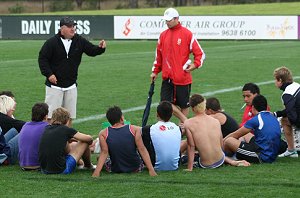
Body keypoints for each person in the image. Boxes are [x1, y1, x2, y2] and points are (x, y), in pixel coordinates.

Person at [38, 16, 106, 125]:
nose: (73, 28)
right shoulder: (51, 42)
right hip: (54, 86)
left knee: (69, 118)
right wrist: (49, 74)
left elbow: (91, 50)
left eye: (73, 26)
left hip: (71, 86)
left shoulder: (79, 40)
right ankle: (51, 139)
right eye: (69, 26)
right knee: (51, 117)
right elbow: (42, 59)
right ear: (62, 29)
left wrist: (100, 48)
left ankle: (67, 140)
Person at [150, 8, 205, 123]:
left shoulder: (187, 34)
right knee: (165, 104)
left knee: (184, 106)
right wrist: (155, 71)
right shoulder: (163, 35)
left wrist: (195, 65)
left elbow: (200, 54)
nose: (167, 22)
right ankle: (185, 122)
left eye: (169, 20)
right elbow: (158, 56)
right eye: (166, 20)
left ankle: (182, 129)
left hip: (182, 78)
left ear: (176, 19)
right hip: (167, 78)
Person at [184, 94, 250, 171]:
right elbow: (220, 144)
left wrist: (190, 168)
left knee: (184, 157)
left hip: (205, 164)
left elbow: (191, 146)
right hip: (220, 160)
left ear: (192, 108)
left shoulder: (188, 123)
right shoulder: (215, 121)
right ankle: (232, 162)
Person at [92, 106, 157, 177]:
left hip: (115, 169)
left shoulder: (103, 133)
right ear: (121, 118)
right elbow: (142, 149)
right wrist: (151, 169)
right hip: (136, 168)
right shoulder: (134, 129)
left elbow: (104, 152)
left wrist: (96, 172)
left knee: (100, 158)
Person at [224, 95, 281, 163]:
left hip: (261, 156)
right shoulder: (272, 116)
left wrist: (220, 143)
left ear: (253, 107)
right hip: (271, 152)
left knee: (229, 140)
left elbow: (235, 135)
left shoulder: (255, 120)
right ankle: (234, 154)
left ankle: (223, 157)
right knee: (246, 134)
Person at [39, 107, 94, 174]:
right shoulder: (66, 129)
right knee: (84, 142)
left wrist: (68, 139)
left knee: (68, 144)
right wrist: (79, 139)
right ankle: (88, 166)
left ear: (52, 118)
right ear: (67, 120)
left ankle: (80, 163)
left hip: (44, 170)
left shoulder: (46, 128)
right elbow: (89, 139)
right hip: (61, 170)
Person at [142, 101, 181, 171]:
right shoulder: (178, 128)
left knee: (140, 142)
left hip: (155, 165)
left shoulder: (149, 129)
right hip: (175, 165)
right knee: (182, 142)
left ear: (157, 114)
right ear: (172, 114)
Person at [273, 66, 300, 158]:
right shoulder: (296, 85)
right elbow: (292, 109)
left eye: (275, 80)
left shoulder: (287, 94)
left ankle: (292, 150)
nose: (274, 82)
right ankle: (292, 150)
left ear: (280, 80)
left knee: (284, 121)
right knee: (284, 119)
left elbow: (291, 114)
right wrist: (277, 114)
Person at [18, 103, 49, 170]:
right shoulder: (46, 127)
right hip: (37, 165)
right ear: (46, 116)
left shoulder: (26, 125)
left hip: (23, 164)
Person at [0, 95, 23, 165]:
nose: (13, 109)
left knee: (14, 130)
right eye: (12, 107)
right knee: (24, 132)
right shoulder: (5, 119)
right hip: (3, 158)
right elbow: (26, 126)